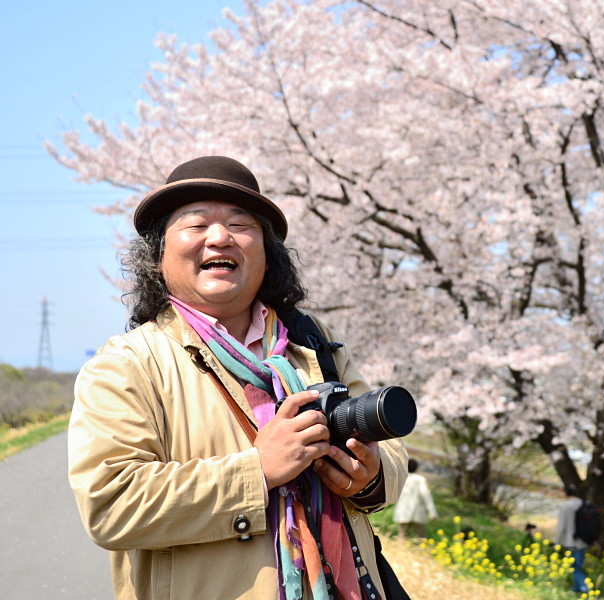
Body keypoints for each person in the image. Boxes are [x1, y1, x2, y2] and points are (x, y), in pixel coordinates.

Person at [68, 156, 408, 600]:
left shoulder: (312, 343)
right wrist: (257, 470)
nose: (220, 237)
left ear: (268, 255)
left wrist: (371, 474)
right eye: (196, 224)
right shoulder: (129, 363)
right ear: (158, 257)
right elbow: (110, 504)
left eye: (240, 224)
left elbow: (392, 452)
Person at [555, 484, 590, 594]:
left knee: (575, 566)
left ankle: (585, 589)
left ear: (566, 493)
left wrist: (557, 542)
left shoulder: (566, 506)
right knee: (578, 565)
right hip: (585, 540)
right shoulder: (585, 503)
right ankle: (576, 590)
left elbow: (561, 527)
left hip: (572, 542)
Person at [392, 458, 437, 538]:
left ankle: (399, 549)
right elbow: (426, 495)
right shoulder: (419, 479)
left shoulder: (401, 478)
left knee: (402, 534)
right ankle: (421, 550)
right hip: (417, 511)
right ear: (416, 467)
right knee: (420, 536)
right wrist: (432, 512)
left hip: (403, 510)